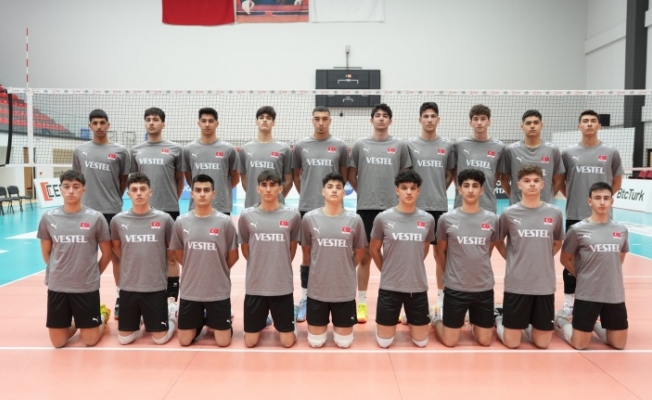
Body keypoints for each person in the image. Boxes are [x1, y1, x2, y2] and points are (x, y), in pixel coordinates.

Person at [348, 103, 411, 323]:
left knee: (395, 257)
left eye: (385, 116)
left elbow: (405, 177)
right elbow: (352, 175)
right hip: (366, 208)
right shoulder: (360, 145)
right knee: (365, 256)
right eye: (377, 115)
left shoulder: (399, 145)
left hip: (393, 209)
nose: (381, 118)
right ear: (371, 120)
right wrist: (364, 192)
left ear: (390, 121)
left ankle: (399, 302)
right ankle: (362, 303)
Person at [37, 170, 112, 348]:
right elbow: (46, 251)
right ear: (61, 189)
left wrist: (94, 274)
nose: (71, 191)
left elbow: (107, 253)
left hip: (86, 286)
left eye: (76, 187)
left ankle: (101, 316)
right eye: (67, 186)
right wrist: (58, 270)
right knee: (58, 342)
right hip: (58, 285)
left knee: (90, 340)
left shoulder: (96, 218)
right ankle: (80, 322)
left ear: (83, 190)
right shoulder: (48, 217)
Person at [559, 110, 623, 316]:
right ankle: (569, 300)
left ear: (599, 126)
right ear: (579, 126)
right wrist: (574, 197)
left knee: (602, 258)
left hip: (603, 218)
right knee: (571, 258)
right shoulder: (568, 153)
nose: (589, 124)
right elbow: (560, 181)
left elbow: (617, 180)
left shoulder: (611, 152)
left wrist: (601, 201)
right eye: (585, 121)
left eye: (593, 121)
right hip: (575, 213)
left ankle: (599, 299)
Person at [494, 165, 564, 349]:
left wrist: (542, 257)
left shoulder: (554, 213)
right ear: (519, 185)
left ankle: (525, 326)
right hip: (517, 283)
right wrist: (513, 258)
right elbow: (498, 241)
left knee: (543, 343)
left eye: (535, 181)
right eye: (527, 181)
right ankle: (498, 317)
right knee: (512, 343)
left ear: (542, 184)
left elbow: (558, 242)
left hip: (544, 284)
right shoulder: (508, 213)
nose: (531, 184)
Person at [555, 182, 628, 350]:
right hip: (587, 293)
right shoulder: (577, 230)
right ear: (590, 201)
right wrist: (583, 276)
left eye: (606, 198)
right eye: (597, 198)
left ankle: (594, 325)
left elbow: (620, 258)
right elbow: (565, 259)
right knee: (580, 344)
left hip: (613, 293)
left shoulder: (621, 230)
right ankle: (561, 322)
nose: (602, 202)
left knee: (619, 344)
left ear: (612, 201)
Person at [292, 106, 349, 322]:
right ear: (312, 120)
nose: (321, 123)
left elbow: (343, 176)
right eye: (317, 119)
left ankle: (335, 296)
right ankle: (306, 298)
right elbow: (296, 176)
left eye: (325, 119)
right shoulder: (301, 146)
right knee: (307, 255)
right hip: (308, 207)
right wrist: (307, 194)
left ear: (330, 120)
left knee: (334, 253)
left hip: (334, 210)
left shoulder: (340, 146)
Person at [432, 169, 500, 347]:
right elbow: (440, 252)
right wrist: (451, 275)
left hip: (483, 287)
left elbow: (488, 250)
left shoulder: (492, 220)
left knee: (485, 341)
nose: (470, 190)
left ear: (482, 190)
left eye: (475, 186)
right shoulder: (446, 219)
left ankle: (475, 323)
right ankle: (436, 317)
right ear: (459, 190)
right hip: (456, 288)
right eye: (466, 186)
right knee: (450, 341)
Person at [72, 109, 129, 319]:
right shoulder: (80, 151)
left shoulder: (120, 151)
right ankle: (85, 297)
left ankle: (121, 297)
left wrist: (112, 198)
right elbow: (76, 179)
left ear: (108, 125)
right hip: (85, 213)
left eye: (102, 122)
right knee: (85, 256)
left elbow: (123, 180)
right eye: (95, 123)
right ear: (90, 126)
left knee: (116, 256)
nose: (99, 126)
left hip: (112, 211)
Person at [170, 174, 239, 347]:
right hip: (191, 289)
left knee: (223, 342)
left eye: (206, 190)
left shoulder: (225, 222)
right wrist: (194, 266)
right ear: (192, 194)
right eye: (198, 190)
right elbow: (178, 253)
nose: (202, 194)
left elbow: (233, 255)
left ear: (213, 194)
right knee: (184, 341)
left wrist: (218, 269)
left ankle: (218, 319)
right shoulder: (181, 222)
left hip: (217, 290)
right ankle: (201, 320)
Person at [369, 170, 434, 348]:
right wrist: (388, 270)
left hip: (417, 286)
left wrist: (411, 266)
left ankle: (430, 318)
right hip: (390, 287)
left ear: (418, 191)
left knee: (421, 342)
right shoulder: (383, 218)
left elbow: (424, 248)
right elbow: (374, 249)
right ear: (397, 190)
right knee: (384, 342)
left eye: (413, 188)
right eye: (404, 188)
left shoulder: (428, 219)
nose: (409, 192)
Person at [110, 172, 177, 345]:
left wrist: (155, 259)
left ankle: (172, 315)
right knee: (124, 339)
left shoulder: (164, 219)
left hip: (155, 286)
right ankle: (140, 318)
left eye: (142, 189)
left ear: (150, 192)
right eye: (134, 190)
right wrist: (131, 259)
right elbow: (116, 247)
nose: (139, 193)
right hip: (129, 286)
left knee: (160, 339)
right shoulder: (118, 220)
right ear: (128, 193)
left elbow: (172, 249)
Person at [301, 172, 366, 348]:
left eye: (338, 187)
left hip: (344, 291)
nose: (334, 190)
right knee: (316, 342)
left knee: (344, 343)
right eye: (330, 187)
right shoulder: (309, 219)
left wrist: (346, 267)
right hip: (317, 290)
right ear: (323, 191)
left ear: (344, 193)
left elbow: (359, 251)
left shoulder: (355, 220)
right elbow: (306, 252)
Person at [238, 170, 301, 348]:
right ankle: (263, 319)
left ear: (280, 188)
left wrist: (278, 264)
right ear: (257, 188)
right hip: (256, 285)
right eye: (264, 185)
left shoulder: (292, 215)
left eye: (272, 185)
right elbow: (245, 249)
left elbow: (292, 248)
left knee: (287, 343)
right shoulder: (246, 215)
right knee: (250, 342)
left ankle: (290, 316)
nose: (268, 189)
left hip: (281, 285)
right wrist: (260, 264)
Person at [406, 101, 455, 315]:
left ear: (438, 119)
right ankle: (410, 299)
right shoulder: (410, 145)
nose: (429, 120)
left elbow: (449, 173)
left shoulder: (447, 146)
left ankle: (442, 302)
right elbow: (407, 175)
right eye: (425, 116)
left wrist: (438, 190)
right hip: (416, 209)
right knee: (415, 255)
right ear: (420, 120)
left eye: (433, 116)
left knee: (440, 255)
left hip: (439, 207)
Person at [131, 107, 184, 301]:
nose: (151, 122)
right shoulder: (136, 150)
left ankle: (172, 299)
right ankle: (146, 294)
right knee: (145, 255)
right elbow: (134, 180)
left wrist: (171, 199)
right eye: (148, 119)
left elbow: (180, 179)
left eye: (155, 119)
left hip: (169, 209)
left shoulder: (176, 149)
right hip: (142, 212)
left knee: (171, 255)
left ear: (163, 124)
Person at [182, 107, 239, 216]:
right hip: (197, 207)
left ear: (217, 123)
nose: (207, 124)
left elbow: (235, 178)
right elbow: (189, 178)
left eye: (211, 121)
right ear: (199, 123)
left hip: (221, 206)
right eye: (203, 121)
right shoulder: (189, 149)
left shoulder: (228, 149)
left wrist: (221, 190)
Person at [500, 110, 565, 205]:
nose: (532, 126)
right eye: (528, 123)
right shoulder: (511, 150)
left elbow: (558, 180)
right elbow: (504, 180)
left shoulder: (552, 150)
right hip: (518, 206)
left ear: (542, 125)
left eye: (536, 122)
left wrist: (548, 199)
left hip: (544, 206)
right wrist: (515, 200)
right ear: (522, 126)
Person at [453, 104, 505, 213]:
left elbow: (498, 174)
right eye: (476, 119)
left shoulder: (499, 147)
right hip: (462, 203)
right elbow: (453, 170)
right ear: (470, 123)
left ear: (489, 122)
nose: (479, 122)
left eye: (483, 119)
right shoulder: (459, 144)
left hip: (487, 204)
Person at [238, 106, 293, 208]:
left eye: (268, 118)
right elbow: (244, 180)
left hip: (277, 206)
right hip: (252, 205)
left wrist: (277, 195)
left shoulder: (284, 149)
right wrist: (255, 194)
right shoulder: (245, 149)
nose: (264, 120)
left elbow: (289, 180)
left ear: (273, 122)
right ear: (256, 122)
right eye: (261, 117)